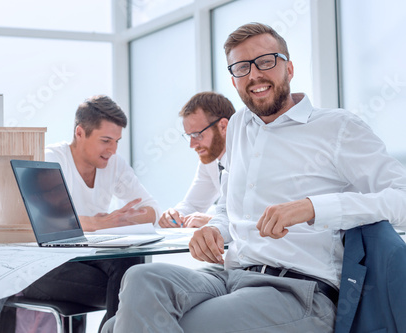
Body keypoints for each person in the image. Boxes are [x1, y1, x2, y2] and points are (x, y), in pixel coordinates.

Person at [101, 22, 406, 333]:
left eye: (266, 61)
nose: (255, 74)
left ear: (289, 68)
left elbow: (402, 200)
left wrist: (313, 207)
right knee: (140, 279)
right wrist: (215, 231)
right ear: (233, 81)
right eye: (241, 67)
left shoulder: (338, 127)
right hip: (229, 275)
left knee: (123, 326)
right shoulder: (238, 127)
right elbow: (227, 208)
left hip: (298, 290)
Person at [1, 95, 160, 333]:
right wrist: (100, 223)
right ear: (80, 133)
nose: (113, 150)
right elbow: (44, 221)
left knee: (131, 267)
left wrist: (120, 220)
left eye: (117, 141)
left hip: (87, 261)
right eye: (106, 140)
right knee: (134, 287)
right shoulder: (51, 158)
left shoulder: (114, 164)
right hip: (42, 268)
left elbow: (152, 210)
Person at [158, 92, 235, 229]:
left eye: (197, 135)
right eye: (189, 136)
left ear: (223, 126)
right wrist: (174, 215)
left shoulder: (250, 157)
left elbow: (256, 215)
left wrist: (213, 221)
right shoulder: (211, 161)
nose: (192, 145)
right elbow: (193, 204)